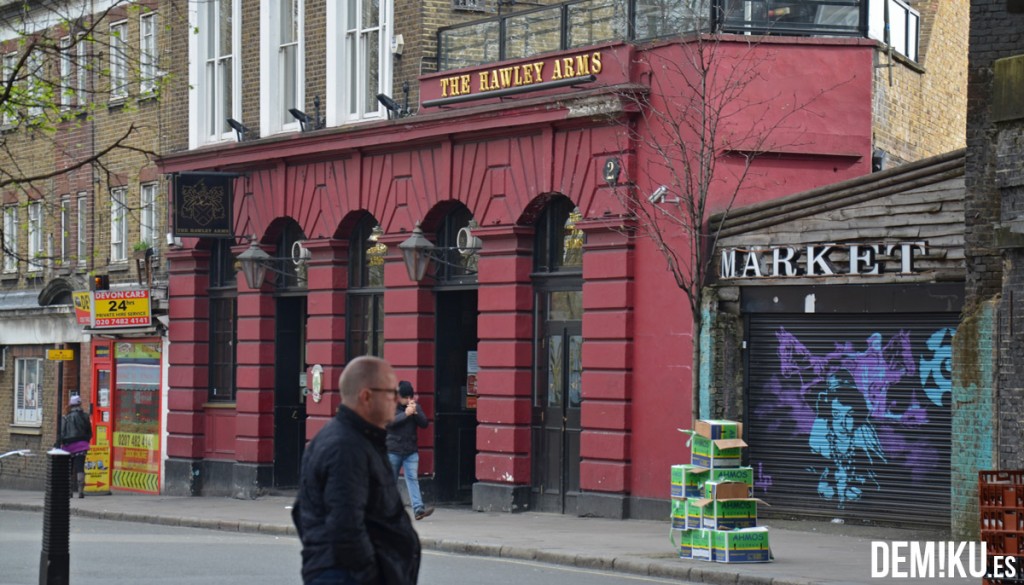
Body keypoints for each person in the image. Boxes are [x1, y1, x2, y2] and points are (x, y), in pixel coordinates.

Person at [292, 356, 421, 585]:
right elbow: (345, 526)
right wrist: (372, 573)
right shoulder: (345, 447)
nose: (397, 399)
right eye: (391, 393)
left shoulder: (361, 438)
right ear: (366, 396)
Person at [386, 381, 433, 521]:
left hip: (410, 451)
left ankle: (418, 509)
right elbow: (389, 423)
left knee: (412, 479)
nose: (404, 400)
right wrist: (405, 414)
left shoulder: (415, 407)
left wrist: (416, 413)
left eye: (407, 397)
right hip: (393, 451)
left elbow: (424, 423)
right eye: (402, 397)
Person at [60, 394, 92, 499]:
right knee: (80, 468)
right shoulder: (85, 416)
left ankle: (69, 492)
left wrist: (62, 442)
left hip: (68, 446)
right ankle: (80, 491)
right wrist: (85, 440)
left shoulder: (66, 417)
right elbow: (90, 432)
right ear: (80, 404)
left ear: (71, 405)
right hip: (82, 445)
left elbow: (62, 432)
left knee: (69, 468)